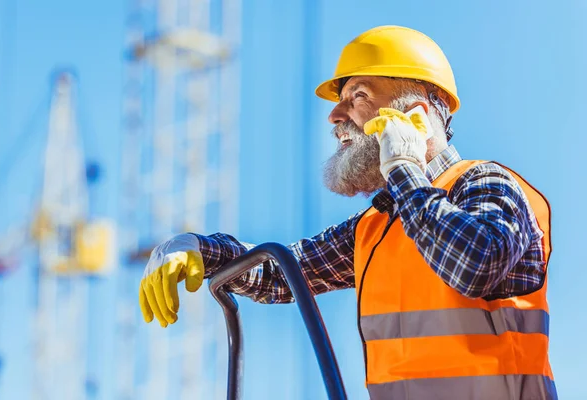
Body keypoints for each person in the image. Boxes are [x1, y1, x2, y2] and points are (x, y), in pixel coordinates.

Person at [138, 25, 556, 399]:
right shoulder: (376, 229)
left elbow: (473, 262)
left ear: (417, 118)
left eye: (358, 96)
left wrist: (404, 168)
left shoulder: (487, 185)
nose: (335, 117)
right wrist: (193, 247)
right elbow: (281, 273)